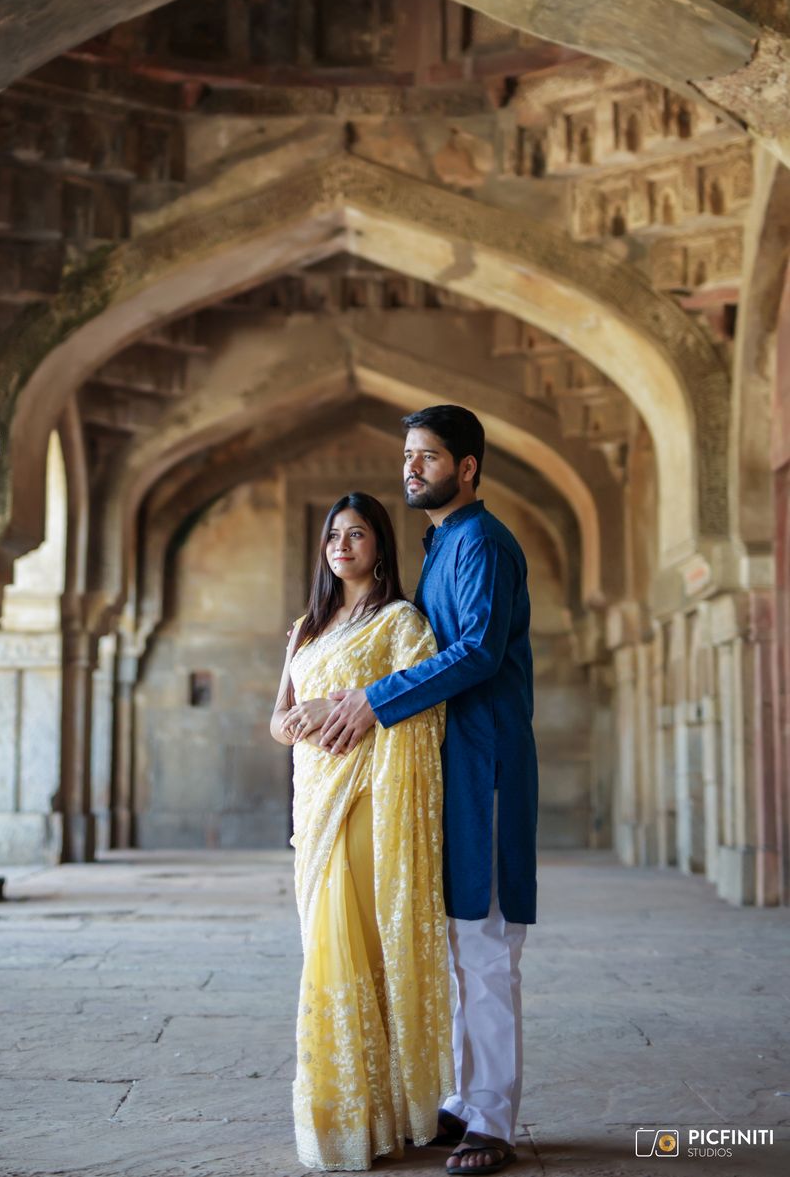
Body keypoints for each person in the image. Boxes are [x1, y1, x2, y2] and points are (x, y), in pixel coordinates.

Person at [317, 408, 538, 1176]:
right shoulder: (442, 543)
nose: (412, 467)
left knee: (485, 946)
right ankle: (466, 1096)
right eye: (408, 455)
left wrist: (374, 699)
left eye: (430, 456)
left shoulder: (480, 542)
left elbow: (476, 650)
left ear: (468, 466)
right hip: (448, 772)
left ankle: (494, 1118)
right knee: (453, 940)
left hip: (490, 766)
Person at [271, 491, 453, 1172]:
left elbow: (424, 705)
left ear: (380, 544)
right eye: (333, 535)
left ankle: (365, 1112)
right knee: (325, 937)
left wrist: (359, 712)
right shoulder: (305, 628)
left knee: (354, 947)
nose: (341, 544)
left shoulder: (401, 621)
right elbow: (277, 717)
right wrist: (294, 722)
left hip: (370, 801)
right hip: (313, 805)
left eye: (356, 533)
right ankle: (361, 1105)